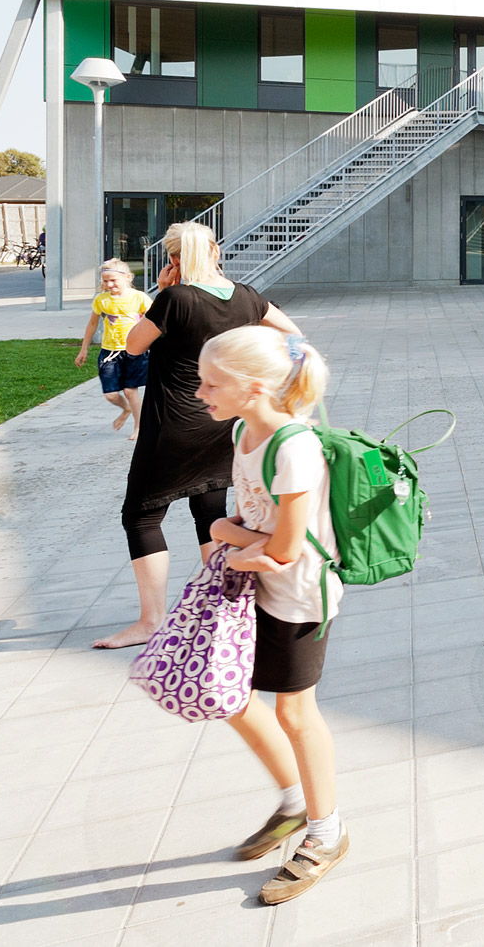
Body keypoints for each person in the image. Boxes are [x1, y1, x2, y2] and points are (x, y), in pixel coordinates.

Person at [195, 325, 350, 904]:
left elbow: (283, 549)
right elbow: (251, 517)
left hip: (300, 598)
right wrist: (235, 536)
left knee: (296, 714)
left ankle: (326, 831)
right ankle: (293, 802)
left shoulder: (294, 447)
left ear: (254, 386)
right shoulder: (243, 430)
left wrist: (221, 534)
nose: (201, 393)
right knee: (231, 697)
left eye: (212, 384)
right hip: (254, 590)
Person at [96, 221, 300, 650]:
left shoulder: (174, 298)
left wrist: (157, 292)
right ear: (216, 251)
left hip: (173, 424)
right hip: (224, 423)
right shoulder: (246, 296)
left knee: (142, 514)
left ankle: (152, 620)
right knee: (210, 511)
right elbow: (292, 335)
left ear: (173, 259)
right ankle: (225, 608)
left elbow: (133, 346)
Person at [75, 258, 151, 434]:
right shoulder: (101, 300)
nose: (109, 284)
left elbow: (154, 321)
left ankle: (139, 427)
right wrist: (84, 348)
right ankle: (126, 409)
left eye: (113, 280)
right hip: (109, 352)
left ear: (128, 277)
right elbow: (92, 324)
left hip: (134, 350)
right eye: (105, 281)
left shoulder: (139, 298)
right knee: (111, 394)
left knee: (130, 391)